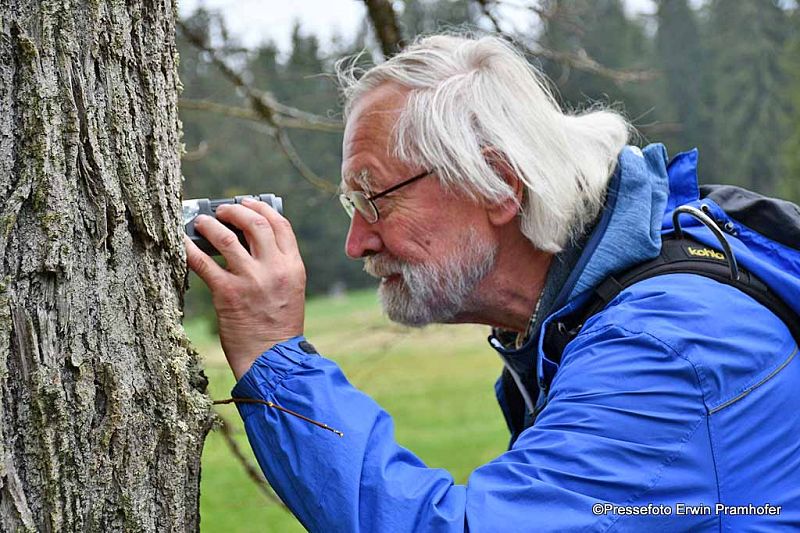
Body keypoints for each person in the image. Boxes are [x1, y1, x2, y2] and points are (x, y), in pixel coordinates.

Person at [185, 34, 800, 531]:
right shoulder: (587, 312)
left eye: (375, 199)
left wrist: (272, 354)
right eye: (353, 207)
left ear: (497, 184)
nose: (358, 243)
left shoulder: (666, 348)